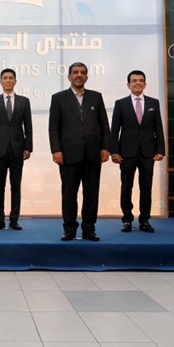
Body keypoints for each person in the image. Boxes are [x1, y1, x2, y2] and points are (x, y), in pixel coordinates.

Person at [48, 62, 110, 241]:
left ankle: (89, 229)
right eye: (75, 72)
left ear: (87, 77)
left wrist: (106, 147)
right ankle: (69, 229)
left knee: (91, 194)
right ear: (69, 77)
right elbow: (54, 127)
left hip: (93, 154)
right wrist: (56, 150)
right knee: (69, 194)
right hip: (68, 155)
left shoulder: (96, 97)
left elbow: (104, 124)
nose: (79, 75)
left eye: (82, 72)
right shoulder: (58, 98)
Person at [110, 70, 166, 233]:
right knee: (126, 187)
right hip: (126, 153)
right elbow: (115, 130)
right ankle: (127, 219)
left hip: (148, 153)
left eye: (141, 80)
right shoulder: (120, 103)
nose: (138, 83)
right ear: (128, 84)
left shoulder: (153, 103)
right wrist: (114, 151)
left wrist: (160, 149)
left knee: (146, 187)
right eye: (134, 81)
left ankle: (145, 220)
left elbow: (158, 128)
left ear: (145, 84)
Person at [0, 68, 32, 231]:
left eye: (11, 78)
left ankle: (14, 219)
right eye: (5, 78)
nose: (8, 80)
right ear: (1, 82)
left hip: (18, 149)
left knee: (15, 185)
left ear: (15, 81)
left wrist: (28, 147)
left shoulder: (24, 101)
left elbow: (28, 126)